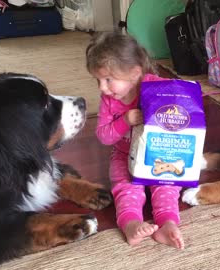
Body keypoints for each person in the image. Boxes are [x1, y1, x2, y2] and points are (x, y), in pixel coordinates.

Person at [86, 30, 184, 249]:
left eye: (108, 79)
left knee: (168, 185)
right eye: (98, 80)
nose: (102, 87)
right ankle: (131, 225)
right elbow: (103, 136)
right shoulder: (109, 101)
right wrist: (125, 121)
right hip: (124, 155)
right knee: (126, 188)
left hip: (158, 153)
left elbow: (181, 104)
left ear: (134, 73)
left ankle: (167, 223)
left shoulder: (158, 87)